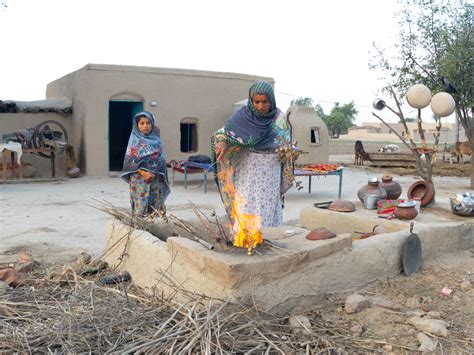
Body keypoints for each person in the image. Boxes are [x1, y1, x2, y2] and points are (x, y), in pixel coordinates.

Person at [212, 81, 295, 248]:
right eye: (256, 102)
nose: (260, 106)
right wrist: (221, 141)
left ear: (271, 101)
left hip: (270, 168)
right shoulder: (242, 116)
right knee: (246, 202)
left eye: (265, 102)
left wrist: (290, 152)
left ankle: (267, 239)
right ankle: (244, 240)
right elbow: (223, 132)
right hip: (248, 168)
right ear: (251, 101)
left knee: (267, 203)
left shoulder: (278, 118)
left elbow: (286, 141)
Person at [122, 111, 170, 217]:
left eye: (148, 123)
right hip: (139, 179)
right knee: (141, 207)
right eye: (142, 123)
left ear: (152, 124)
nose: (145, 126)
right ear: (137, 125)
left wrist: (164, 164)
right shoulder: (134, 140)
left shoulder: (156, 139)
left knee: (156, 207)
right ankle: (141, 230)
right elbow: (129, 162)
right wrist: (143, 173)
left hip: (155, 178)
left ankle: (157, 230)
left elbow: (159, 157)